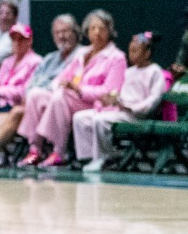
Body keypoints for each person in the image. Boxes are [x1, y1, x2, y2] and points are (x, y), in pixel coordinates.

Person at [0, 14, 80, 166]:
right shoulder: (48, 59)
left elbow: (56, 84)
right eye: (58, 32)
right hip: (23, 103)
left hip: (43, 103)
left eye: (65, 31)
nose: (17, 43)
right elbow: (28, 84)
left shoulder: (78, 56)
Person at [18, 8, 126, 168]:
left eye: (101, 29)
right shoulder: (83, 53)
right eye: (92, 28)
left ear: (109, 31)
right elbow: (63, 76)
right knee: (36, 94)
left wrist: (79, 90)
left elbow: (109, 91)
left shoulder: (117, 57)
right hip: (70, 98)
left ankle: (59, 152)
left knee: (61, 97)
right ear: (87, 31)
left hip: (94, 103)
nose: (97, 33)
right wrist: (60, 85)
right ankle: (35, 149)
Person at [73, 32, 171, 173]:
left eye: (136, 51)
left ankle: (104, 158)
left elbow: (154, 100)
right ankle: (88, 157)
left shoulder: (155, 72)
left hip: (136, 115)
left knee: (101, 120)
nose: (131, 55)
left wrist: (132, 108)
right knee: (80, 117)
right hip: (121, 111)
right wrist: (112, 100)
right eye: (130, 51)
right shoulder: (129, 71)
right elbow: (121, 95)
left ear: (147, 52)